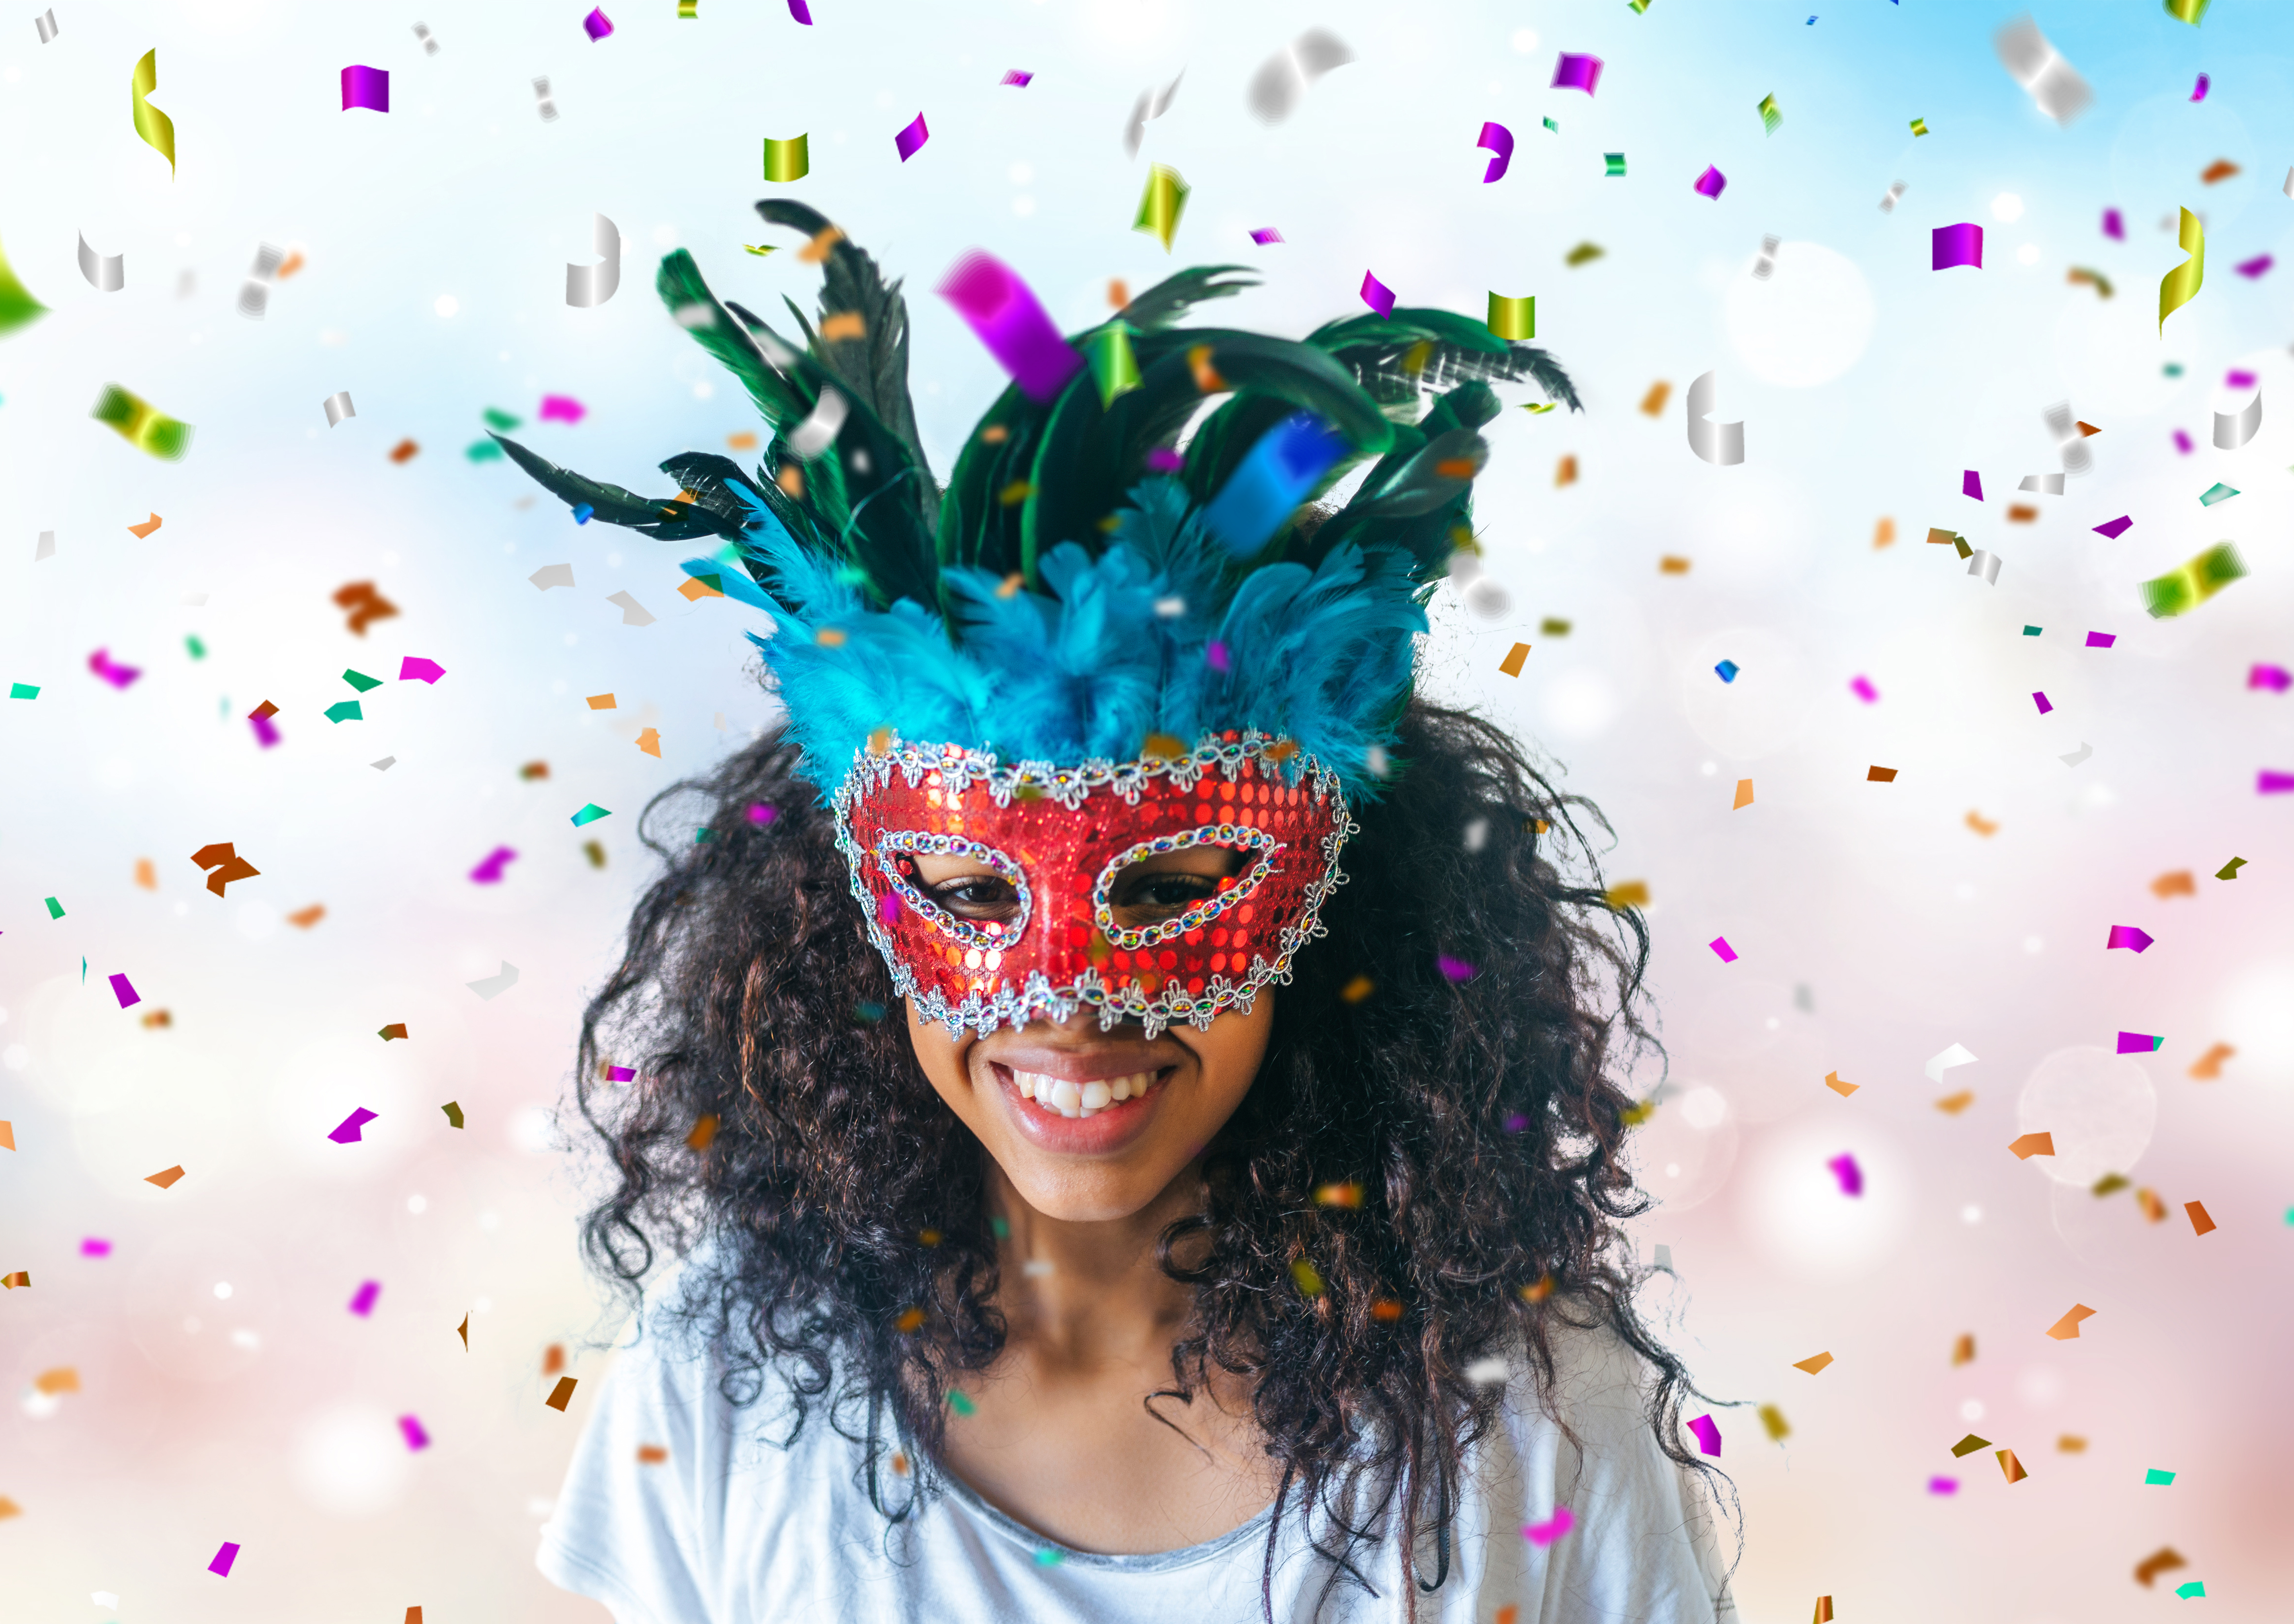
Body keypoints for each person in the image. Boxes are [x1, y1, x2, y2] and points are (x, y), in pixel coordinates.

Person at [500, 200, 1734, 1622]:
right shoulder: (727, 1379)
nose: (1071, 1002)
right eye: (969, 893)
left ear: (1330, 903)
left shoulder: (1534, 1419)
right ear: (852, 909)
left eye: (1173, 888)